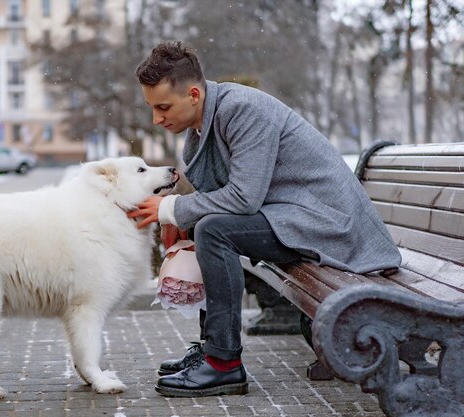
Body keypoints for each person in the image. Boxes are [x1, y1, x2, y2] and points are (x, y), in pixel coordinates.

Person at [127, 40, 401, 398]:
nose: (157, 119)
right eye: (152, 108)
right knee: (203, 224)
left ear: (193, 94)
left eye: (163, 107)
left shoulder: (242, 110)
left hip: (329, 224)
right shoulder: (206, 122)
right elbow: (221, 197)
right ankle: (212, 348)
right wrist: (182, 214)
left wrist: (171, 209)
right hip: (293, 216)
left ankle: (224, 365)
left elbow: (243, 197)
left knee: (213, 229)